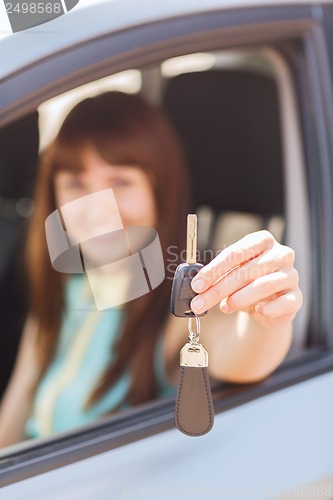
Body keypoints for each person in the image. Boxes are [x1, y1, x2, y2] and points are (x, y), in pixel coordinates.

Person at [0, 91, 302, 447]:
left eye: (120, 182)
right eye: (76, 183)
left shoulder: (181, 302)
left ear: (159, 191)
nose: (97, 208)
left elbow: (241, 353)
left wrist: (267, 316)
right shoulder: (66, 288)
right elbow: (16, 412)